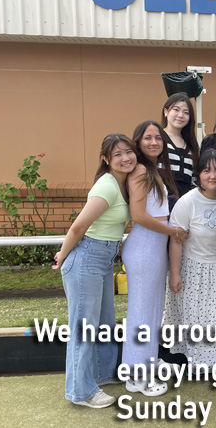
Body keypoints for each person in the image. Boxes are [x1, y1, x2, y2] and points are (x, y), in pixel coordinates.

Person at [52, 133, 137, 409]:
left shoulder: (124, 183)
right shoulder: (108, 186)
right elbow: (78, 226)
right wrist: (62, 256)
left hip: (101, 258)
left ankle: (102, 374)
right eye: (117, 155)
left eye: (128, 152)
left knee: (104, 322)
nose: (125, 158)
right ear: (106, 159)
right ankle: (82, 391)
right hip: (86, 256)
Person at [121, 121, 188, 396]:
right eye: (147, 138)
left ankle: (142, 366)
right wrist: (173, 230)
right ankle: (137, 376)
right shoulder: (139, 171)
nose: (153, 142)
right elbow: (139, 215)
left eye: (158, 138)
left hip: (153, 247)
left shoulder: (151, 171)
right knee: (142, 314)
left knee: (149, 313)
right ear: (137, 142)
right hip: (145, 247)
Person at [164, 149, 216, 370]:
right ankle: (199, 363)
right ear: (198, 174)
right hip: (194, 268)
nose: (212, 176)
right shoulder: (187, 202)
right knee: (197, 319)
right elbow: (176, 240)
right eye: (206, 171)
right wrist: (175, 274)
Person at [162, 93, 200, 201]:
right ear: (166, 112)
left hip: (184, 206)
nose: (180, 115)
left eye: (186, 112)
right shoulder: (158, 138)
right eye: (176, 110)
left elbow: (194, 179)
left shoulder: (192, 145)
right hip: (160, 204)